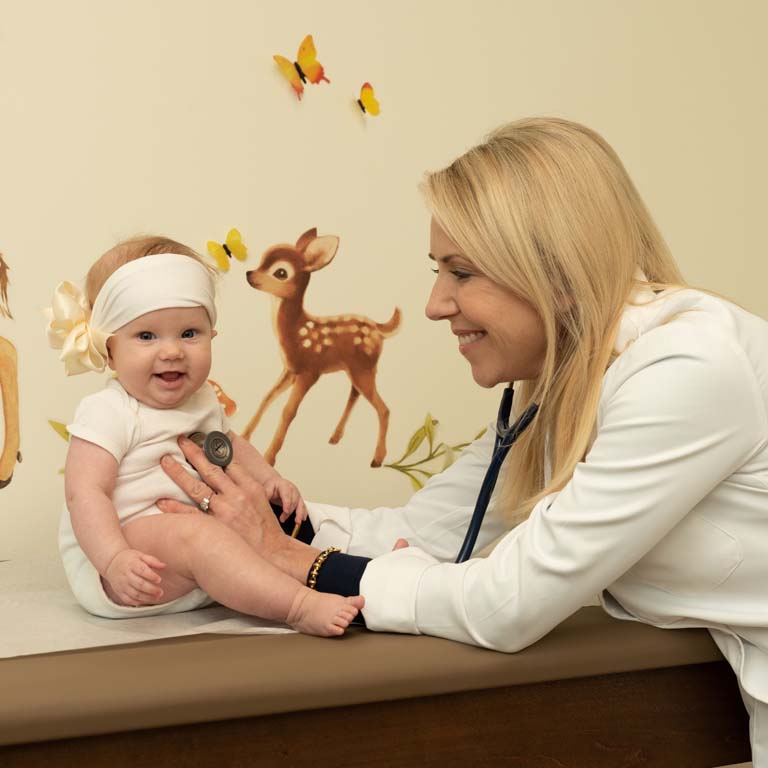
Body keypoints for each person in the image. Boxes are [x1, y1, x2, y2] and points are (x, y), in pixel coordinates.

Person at [157, 118, 768, 763]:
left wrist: (296, 565)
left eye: (462, 272)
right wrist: (264, 518)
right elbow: (432, 531)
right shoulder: (563, 384)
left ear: (555, 273)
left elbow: (509, 604)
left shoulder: (684, 372)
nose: (434, 303)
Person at [46, 236, 363, 635]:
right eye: (147, 336)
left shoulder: (201, 399)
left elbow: (231, 447)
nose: (172, 351)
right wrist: (114, 558)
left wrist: (271, 480)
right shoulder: (108, 411)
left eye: (189, 333)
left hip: (194, 556)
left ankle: (373, 567)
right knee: (202, 534)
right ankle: (298, 606)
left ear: (212, 334)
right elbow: (84, 493)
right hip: (127, 559)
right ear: (109, 350)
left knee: (275, 522)